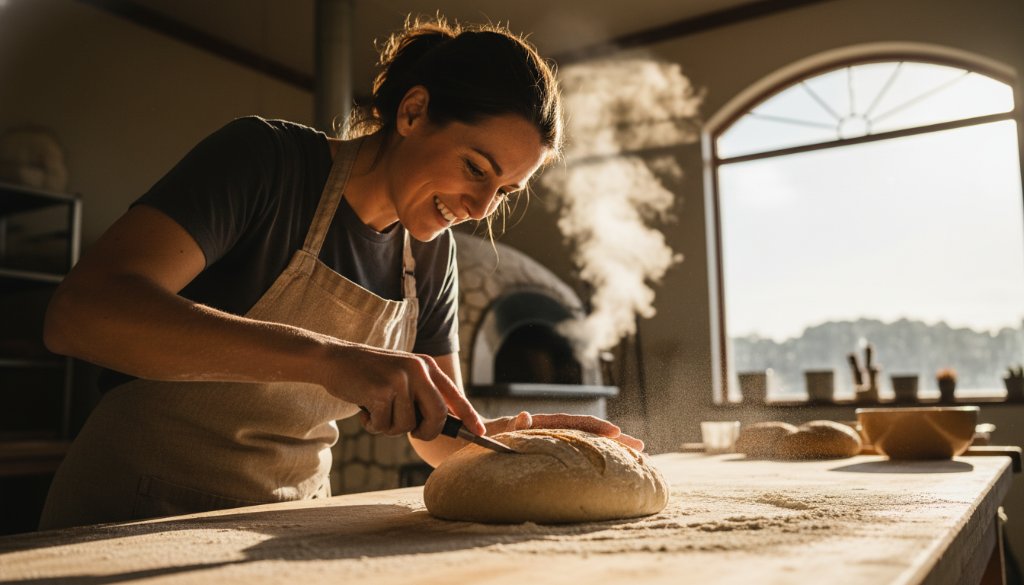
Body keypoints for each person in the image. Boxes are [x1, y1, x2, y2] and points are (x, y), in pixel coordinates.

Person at [38, 16, 641, 530]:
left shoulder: (428, 254)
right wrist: (330, 358)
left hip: (289, 523)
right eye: (475, 167)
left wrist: (514, 441)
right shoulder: (264, 162)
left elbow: (437, 432)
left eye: (505, 191)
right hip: (131, 513)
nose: (481, 209)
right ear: (413, 111)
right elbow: (80, 314)